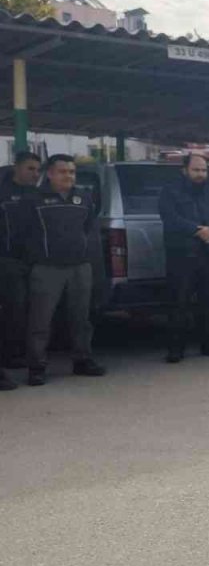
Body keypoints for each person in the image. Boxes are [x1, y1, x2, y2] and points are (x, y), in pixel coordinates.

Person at [14, 154, 106, 385]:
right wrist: (33, 259)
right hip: (46, 269)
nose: (69, 176)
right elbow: (21, 232)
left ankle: (82, 360)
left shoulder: (83, 197)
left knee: (81, 318)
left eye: (72, 172)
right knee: (40, 321)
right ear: (50, 174)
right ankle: (36, 367)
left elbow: (89, 228)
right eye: (63, 172)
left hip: (79, 267)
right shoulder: (33, 199)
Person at [157, 154, 209, 363]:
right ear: (185, 170)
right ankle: (176, 348)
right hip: (182, 254)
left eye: (204, 170)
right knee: (178, 302)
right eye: (196, 170)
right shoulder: (170, 191)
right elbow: (169, 217)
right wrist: (197, 230)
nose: (201, 174)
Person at [0, 151, 41, 389]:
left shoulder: (37, 194)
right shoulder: (3, 192)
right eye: (30, 168)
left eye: (37, 170)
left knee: (22, 311)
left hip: (33, 261)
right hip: (7, 259)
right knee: (13, 309)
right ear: (16, 167)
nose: (35, 174)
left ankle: (12, 355)